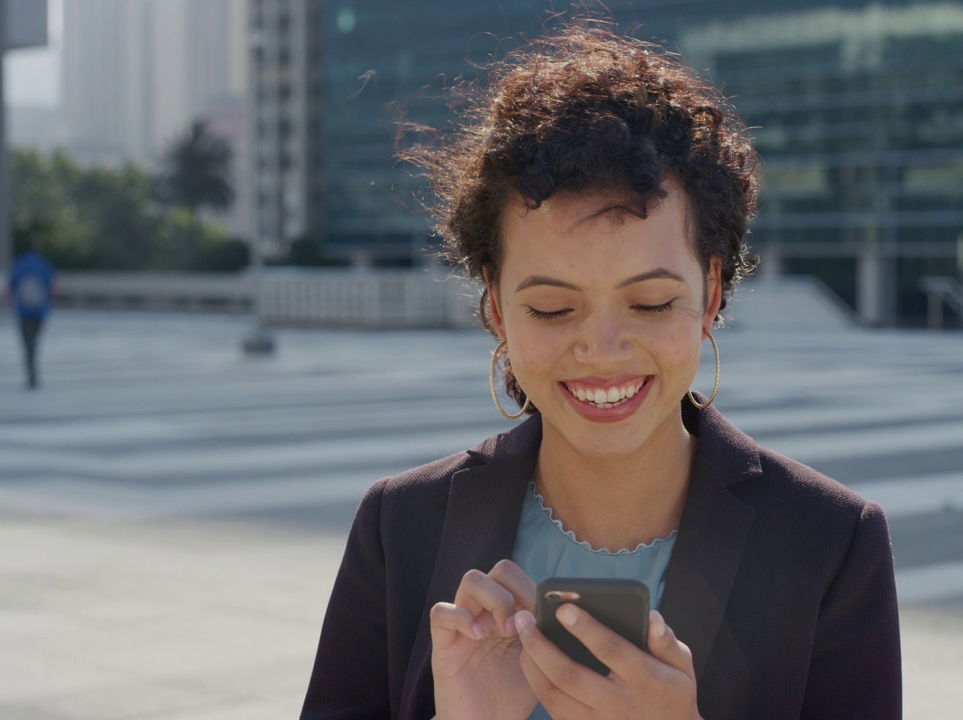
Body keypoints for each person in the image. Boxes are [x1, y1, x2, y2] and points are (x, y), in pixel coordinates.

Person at [302, 23, 900, 720]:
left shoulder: (829, 542)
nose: (603, 347)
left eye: (649, 301)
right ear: (496, 308)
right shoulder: (400, 527)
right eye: (554, 308)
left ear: (709, 293)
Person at [5, 239, 56, 389]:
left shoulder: (18, 264)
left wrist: (8, 305)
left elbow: (10, 287)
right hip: (40, 310)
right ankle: (34, 373)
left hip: (23, 310)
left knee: (26, 343)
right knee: (35, 342)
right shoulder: (43, 264)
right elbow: (52, 286)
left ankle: (30, 374)